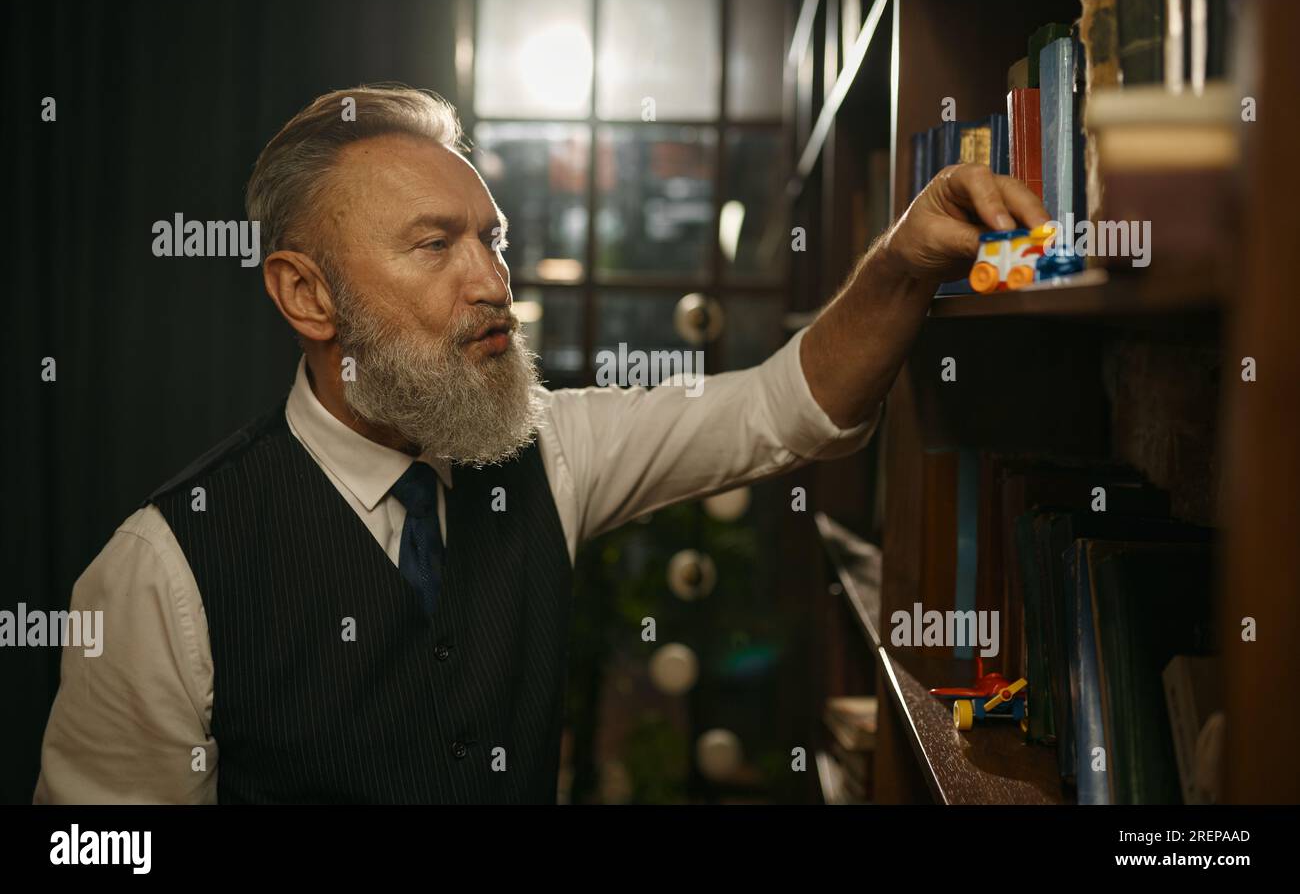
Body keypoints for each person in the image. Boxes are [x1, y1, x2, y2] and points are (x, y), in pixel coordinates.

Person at [34, 85, 1049, 803]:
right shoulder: (160, 569)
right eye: (435, 245)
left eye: (494, 240)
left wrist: (905, 260)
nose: (492, 286)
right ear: (306, 294)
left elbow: (782, 407)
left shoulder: (547, 451)